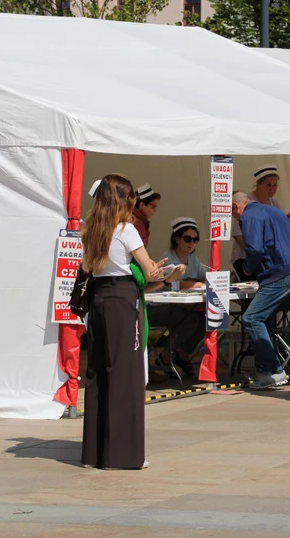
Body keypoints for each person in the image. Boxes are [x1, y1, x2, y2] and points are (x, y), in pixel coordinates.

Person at [80, 174, 164, 470]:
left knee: (98, 372)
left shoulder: (91, 228)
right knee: (124, 375)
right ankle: (124, 453)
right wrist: (165, 271)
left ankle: (94, 452)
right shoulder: (126, 230)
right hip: (122, 299)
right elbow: (149, 270)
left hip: (99, 299)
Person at [235, 191, 290, 390]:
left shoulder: (249, 215)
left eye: (234, 214)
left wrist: (248, 268)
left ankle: (273, 370)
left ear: (235, 207)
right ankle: (284, 358)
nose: (236, 219)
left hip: (281, 272)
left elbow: (255, 249)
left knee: (252, 318)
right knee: (265, 316)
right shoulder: (272, 211)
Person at [146, 217, 207, 375]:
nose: (191, 243)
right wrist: (193, 283)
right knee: (190, 319)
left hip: (180, 305)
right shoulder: (169, 259)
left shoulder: (194, 259)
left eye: (195, 239)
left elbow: (203, 278)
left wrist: (191, 282)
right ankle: (166, 356)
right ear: (177, 239)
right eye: (187, 238)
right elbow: (177, 284)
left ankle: (182, 354)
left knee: (205, 319)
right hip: (156, 306)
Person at [231, 164, 290, 280]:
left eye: (275, 185)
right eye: (268, 185)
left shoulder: (273, 203)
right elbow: (238, 235)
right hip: (246, 259)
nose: (272, 189)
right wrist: (254, 252)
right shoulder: (245, 202)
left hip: (265, 261)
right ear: (258, 184)